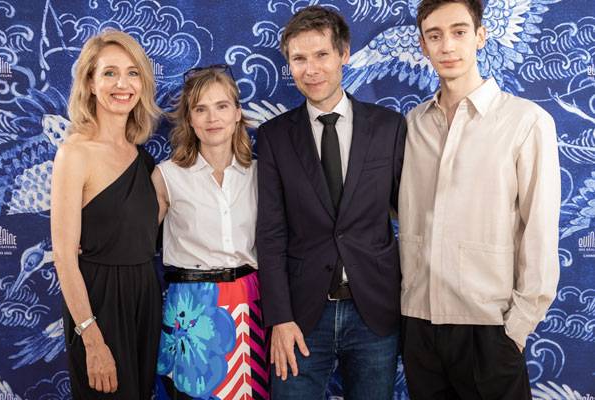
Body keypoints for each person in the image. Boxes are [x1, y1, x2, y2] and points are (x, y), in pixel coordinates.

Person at [398, 0, 561, 398]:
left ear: (481, 36)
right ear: (423, 45)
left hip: (489, 329)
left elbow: (538, 231)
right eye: (434, 36)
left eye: (458, 32)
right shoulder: (412, 124)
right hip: (419, 323)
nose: (447, 46)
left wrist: (516, 330)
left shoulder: (526, 121)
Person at [256, 6, 407, 399]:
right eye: (299, 58)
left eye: (321, 55)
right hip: (302, 315)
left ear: (344, 54)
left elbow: (410, 216)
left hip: (373, 311)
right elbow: (270, 234)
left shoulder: (389, 126)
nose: (311, 69)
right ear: (289, 64)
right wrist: (280, 318)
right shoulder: (274, 137)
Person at [51, 30, 162, 399]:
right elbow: (65, 257)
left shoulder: (142, 157)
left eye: (133, 73)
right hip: (98, 303)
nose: (122, 84)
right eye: (110, 73)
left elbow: (144, 230)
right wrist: (92, 338)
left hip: (145, 295)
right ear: (90, 82)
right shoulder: (75, 153)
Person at [152, 65, 268, 400]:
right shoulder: (168, 176)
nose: (212, 117)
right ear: (189, 119)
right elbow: (136, 241)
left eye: (221, 106)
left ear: (237, 113)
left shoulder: (261, 173)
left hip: (250, 302)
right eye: (200, 109)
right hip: (190, 308)